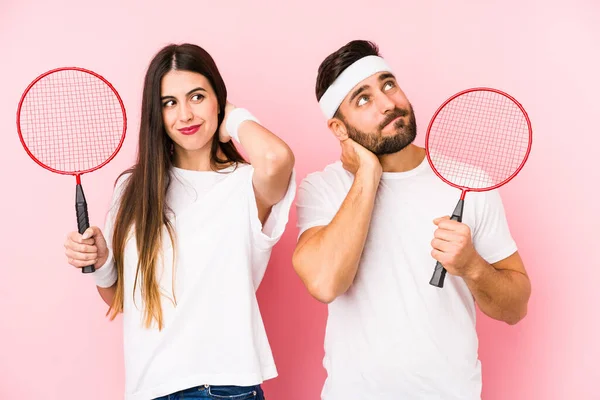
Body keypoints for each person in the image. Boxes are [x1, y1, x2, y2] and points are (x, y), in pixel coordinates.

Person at [292, 39, 531, 399]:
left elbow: (515, 308)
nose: (389, 103)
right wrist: (368, 175)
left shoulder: (471, 184)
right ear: (339, 129)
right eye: (363, 98)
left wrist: (472, 266)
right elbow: (326, 283)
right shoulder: (323, 189)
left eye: (388, 84)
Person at [63, 43, 295, 400]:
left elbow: (277, 158)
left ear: (218, 98)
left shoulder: (245, 184)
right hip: (150, 388)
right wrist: (101, 260)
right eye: (169, 103)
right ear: (157, 114)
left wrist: (230, 119)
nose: (184, 114)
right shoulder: (133, 188)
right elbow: (120, 300)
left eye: (197, 96)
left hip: (225, 388)